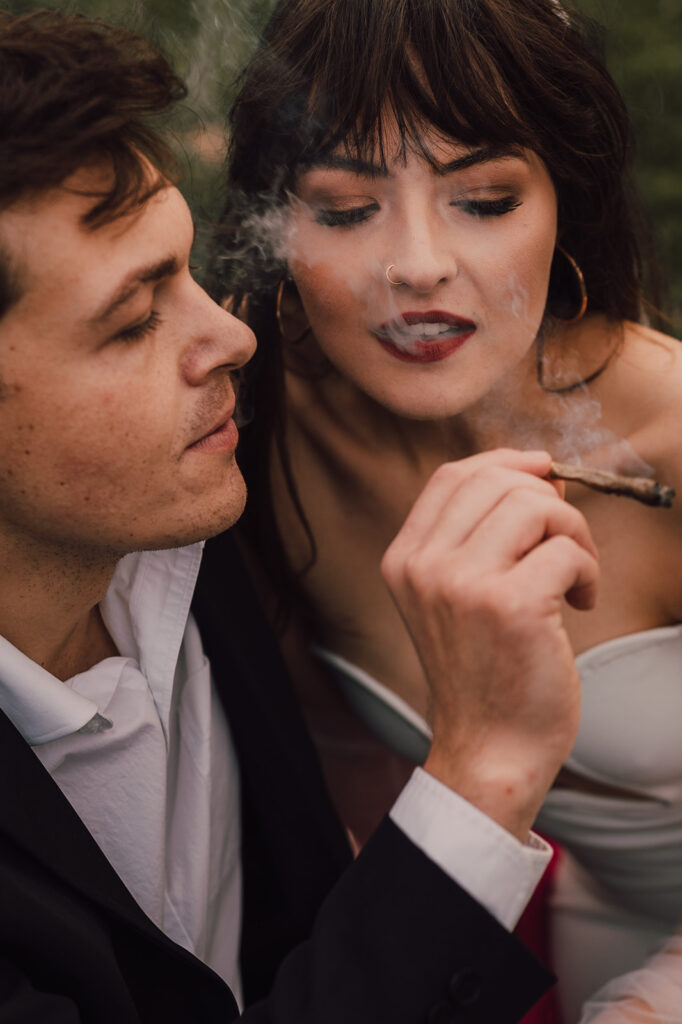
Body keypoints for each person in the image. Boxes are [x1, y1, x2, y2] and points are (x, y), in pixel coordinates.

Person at [0, 9, 604, 1022]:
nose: (229, 339)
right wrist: (481, 765)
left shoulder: (199, 519)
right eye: (135, 319)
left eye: (189, 273)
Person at [210, 0, 682, 1019]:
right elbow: (334, 789)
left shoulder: (672, 440)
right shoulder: (248, 433)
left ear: (564, 202)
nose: (417, 265)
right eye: (343, 210)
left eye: (484, 198)